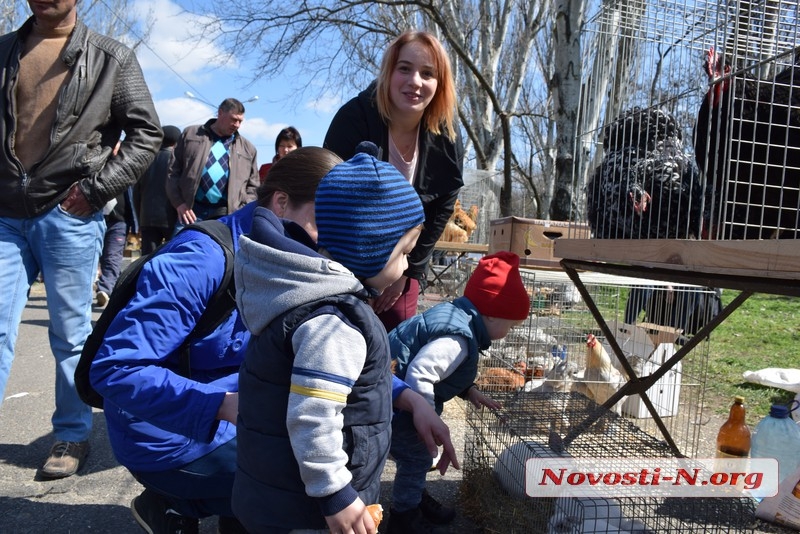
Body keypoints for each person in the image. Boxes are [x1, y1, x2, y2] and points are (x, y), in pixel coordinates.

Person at [90, 147, 457, 534]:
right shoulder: (200, 262)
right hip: (170, 433)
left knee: (332, 442)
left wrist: (408, 396)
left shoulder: (292, 265)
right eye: (325, 223)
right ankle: (175, 500)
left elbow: (313, 355)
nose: (336, 242)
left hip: (246, 407)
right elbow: (116, 369)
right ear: (281, 203)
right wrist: (223, 406)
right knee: (307, 477)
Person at [233, 145, 437, 533]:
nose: (408, 264)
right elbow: (313, 416)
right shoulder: (335, 322)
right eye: (404, 251)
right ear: (369, 247)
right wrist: (335, 494)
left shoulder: (310, 296)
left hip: (281, 494)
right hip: (308, 509)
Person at [0, 0, 161, 479]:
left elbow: (146, 133)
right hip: (5, 213)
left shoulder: (111, 57)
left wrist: (95, 190)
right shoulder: (6, 50)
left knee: (71, 334)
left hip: (68, 213)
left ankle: (72, 434)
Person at [324, 30, 464, 332]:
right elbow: (325, 195)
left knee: (395, 338)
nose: (415, 81)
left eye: (428, 73)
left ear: (439, 84)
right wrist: (363, 275)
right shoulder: (354, 117)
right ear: (389, 72)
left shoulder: (447, 138)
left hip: (404, 262)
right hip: (344, 260)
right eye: (405, 68)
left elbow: (441, 208)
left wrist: (406, 272)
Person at [386, 251, 531, 533]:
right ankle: (404, 518)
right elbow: (421, 371)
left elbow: (443, 369)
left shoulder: (459, 317)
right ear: (490, 313)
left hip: (398, 396)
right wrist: (425, 415)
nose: (510, 332)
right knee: (417, 457)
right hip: (395, 403)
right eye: (510, 325)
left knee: (415, 460)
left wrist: (469, 391)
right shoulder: (458, 339)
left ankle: (412, 496)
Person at [166, 98, 259, 234]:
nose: (237, 125)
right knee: (180, 251)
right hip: (190, 212)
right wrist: (179, 203)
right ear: (220, 113)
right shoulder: (191, 135)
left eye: (240, 121)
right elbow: (172, 172)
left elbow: (253, 186)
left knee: (221, 254)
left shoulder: (248, 149)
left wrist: (241, 210)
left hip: (226, 216)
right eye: (234, 119)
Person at [134, 125, 181, 254]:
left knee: (147, 258)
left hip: (146, 218)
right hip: (171, 217)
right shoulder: (177, 162)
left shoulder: (146, 160)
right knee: (171, 257)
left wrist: (139, 218)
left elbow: (136, 193)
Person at [95, 186, 136, 308]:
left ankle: (105, 289)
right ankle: (107, 287)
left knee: (112, 256)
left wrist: (135, 224)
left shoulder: (126, 171)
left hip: (119, 221)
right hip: (94, 219)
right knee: (96, 255)